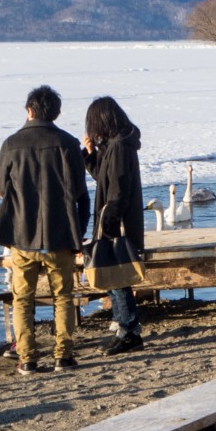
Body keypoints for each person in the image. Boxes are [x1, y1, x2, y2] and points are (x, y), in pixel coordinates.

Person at [0, 84, 90, 373]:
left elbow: (1, 187)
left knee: (22, 299)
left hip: (22, 237)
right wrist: (78, 231)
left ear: (29, 110)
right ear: (55, 113)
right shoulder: (69, 144)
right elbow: (81, 194)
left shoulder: (11, 144)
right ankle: (64, 355)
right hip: (61, 235)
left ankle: (28, 358)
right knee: (63, 297)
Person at [82, 95, 146, 355]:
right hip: (114, 218)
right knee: (115, 276)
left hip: (116, 222)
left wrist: (108, 223)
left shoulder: (119, 147)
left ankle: (129, 330)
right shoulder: (116, 146)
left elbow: (117, 190)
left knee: (117, 276)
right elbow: (104, 177)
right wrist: (91, 155)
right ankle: (124, 326)